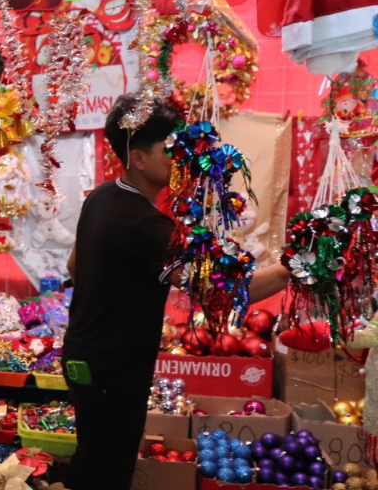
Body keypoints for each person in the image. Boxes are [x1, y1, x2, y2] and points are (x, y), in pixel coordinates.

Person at [61, 94, 291, 490]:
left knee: (92, 460)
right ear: (138, 158)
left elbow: (73, 268)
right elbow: (230, 291)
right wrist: (291, 269)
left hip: (86, 357)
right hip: (112, 371)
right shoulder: (145, 226)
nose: (179, 160)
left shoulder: (102, 197)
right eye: (168, 151)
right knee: (108, 473)